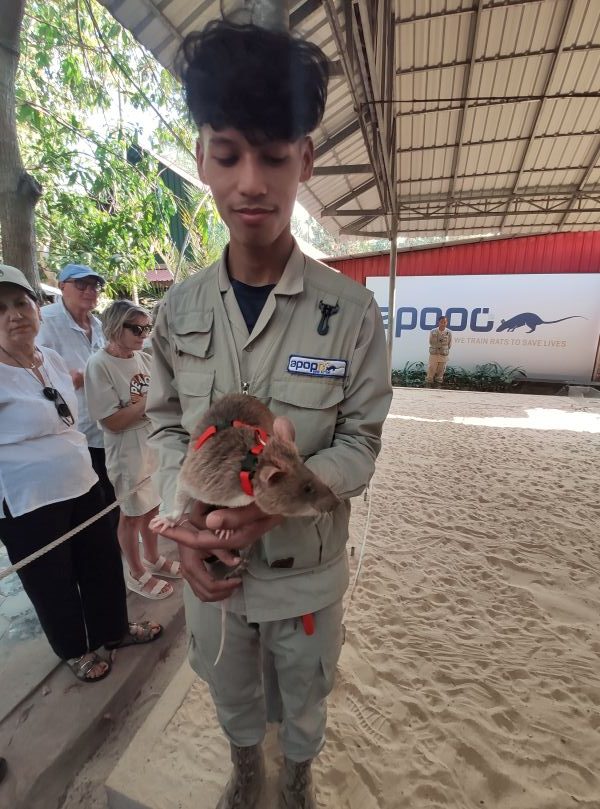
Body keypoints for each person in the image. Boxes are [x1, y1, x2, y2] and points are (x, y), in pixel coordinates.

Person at [146, 21, 392, 809]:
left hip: (305, 575)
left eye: (274, 155)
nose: (251, 181)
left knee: (305, 696)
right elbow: (163, 424)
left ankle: (297, 773)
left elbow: (360, 439)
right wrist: (186, 522)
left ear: (305, 160)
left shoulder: (351, 313)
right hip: (211, 576)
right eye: (227, 154)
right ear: (201, 160)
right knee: (232, 693)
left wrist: (290, 488)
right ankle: (247, 766)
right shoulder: (176, 312)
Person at [0, 265, 162, 683]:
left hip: (82, 478)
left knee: (102, 561)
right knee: (52, 578)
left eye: (20, 303)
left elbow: (68, 417)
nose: (14, 314)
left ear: (36, 308)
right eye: (0, 308)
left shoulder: (49, 358)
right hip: (27, 499)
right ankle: (75, 649)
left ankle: (115, 630)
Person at [85, 300, 180, 600]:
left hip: (151, 441)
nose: (143, 334)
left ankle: (152, 557)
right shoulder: (99, 364)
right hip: (126, 448)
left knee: (152, 505)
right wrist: (149, 402)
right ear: (115, 328)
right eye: (136, 328)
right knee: (131, 513)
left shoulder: (143, 357)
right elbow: (112, 421)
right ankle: (136, 572)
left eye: (146, 328)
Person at [37, 264, 117, 524]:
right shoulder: (44, 321)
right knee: (89, 501)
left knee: (113, 491)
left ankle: (115, 548)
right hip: (71, 429)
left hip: (106, 424)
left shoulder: (100, 324)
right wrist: (77, 379)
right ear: (62, 287)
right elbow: (34, 375)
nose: (89, 291)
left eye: (94, 286)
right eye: (81, 285)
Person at [426, 315, 452, 387]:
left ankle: (438, 387)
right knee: (431, 369)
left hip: (443, 355)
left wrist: (444, 349)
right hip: (434, 354)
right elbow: (430, 342)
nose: (443, 323)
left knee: (441, 371)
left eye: (444, 322)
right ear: (438, 322)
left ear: (446, 323)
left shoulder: (449, 332)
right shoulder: (433, 331)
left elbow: (449, 344)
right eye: (441, 322)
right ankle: (428, 387)